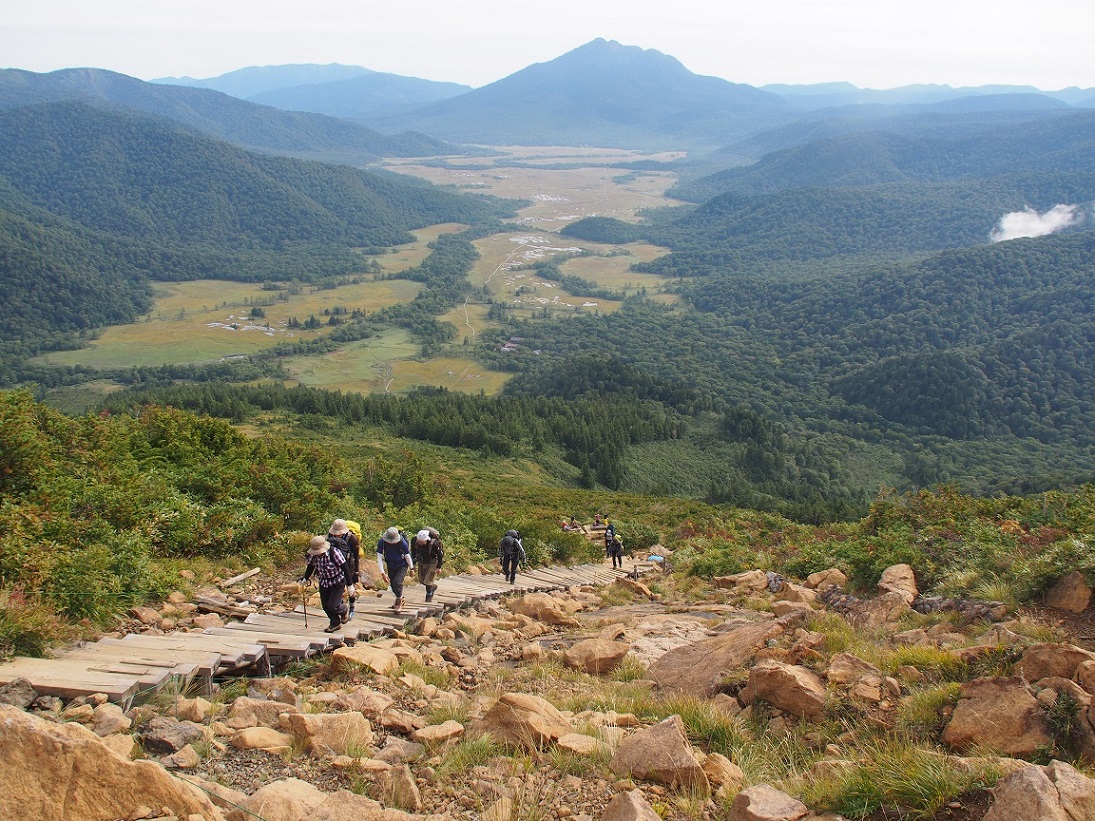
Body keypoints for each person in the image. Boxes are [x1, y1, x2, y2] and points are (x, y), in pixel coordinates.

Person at [299, 535, 352, 633]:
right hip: (324, 582)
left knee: (333, 606)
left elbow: (345, 568)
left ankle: (344, 609)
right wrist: (305, 578)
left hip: (337, 581)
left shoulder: (334, 553)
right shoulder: (314, 555)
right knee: (325, 606)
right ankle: (335, 623)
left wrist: (350, 585)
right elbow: (311, 566)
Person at [326, 518, 360, 619]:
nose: (337, 535)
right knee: (337, 588)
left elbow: (356, 556)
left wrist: (356, 572)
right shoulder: (330, 536)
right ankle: (340, 606)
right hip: (336, 566)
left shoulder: (352, 538)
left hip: (349, 565)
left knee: (351, 587)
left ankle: (352, 607)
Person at [377, 526, 413, 613]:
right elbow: (379, 557)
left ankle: (400, 602)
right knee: (393, 585)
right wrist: (382, 573)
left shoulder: (402, 542)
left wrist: (411, 568)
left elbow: (407, 555)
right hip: (391, 565)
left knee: (397, 582)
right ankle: (399, 599)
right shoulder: (382, 542)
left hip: (402, 565)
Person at [411, 527, 444, 602]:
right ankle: (432, 587)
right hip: (422, 561)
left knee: (428, 581)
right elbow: (413, 552)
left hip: (432, 562)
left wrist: (439, 567)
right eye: (419, 541)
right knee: (422, 580)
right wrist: (413, 565)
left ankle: (429, 595)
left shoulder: (433, 544)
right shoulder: (414, 541)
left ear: (427, 539)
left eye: (422, 542)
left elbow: (440, 555)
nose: (420, 543)